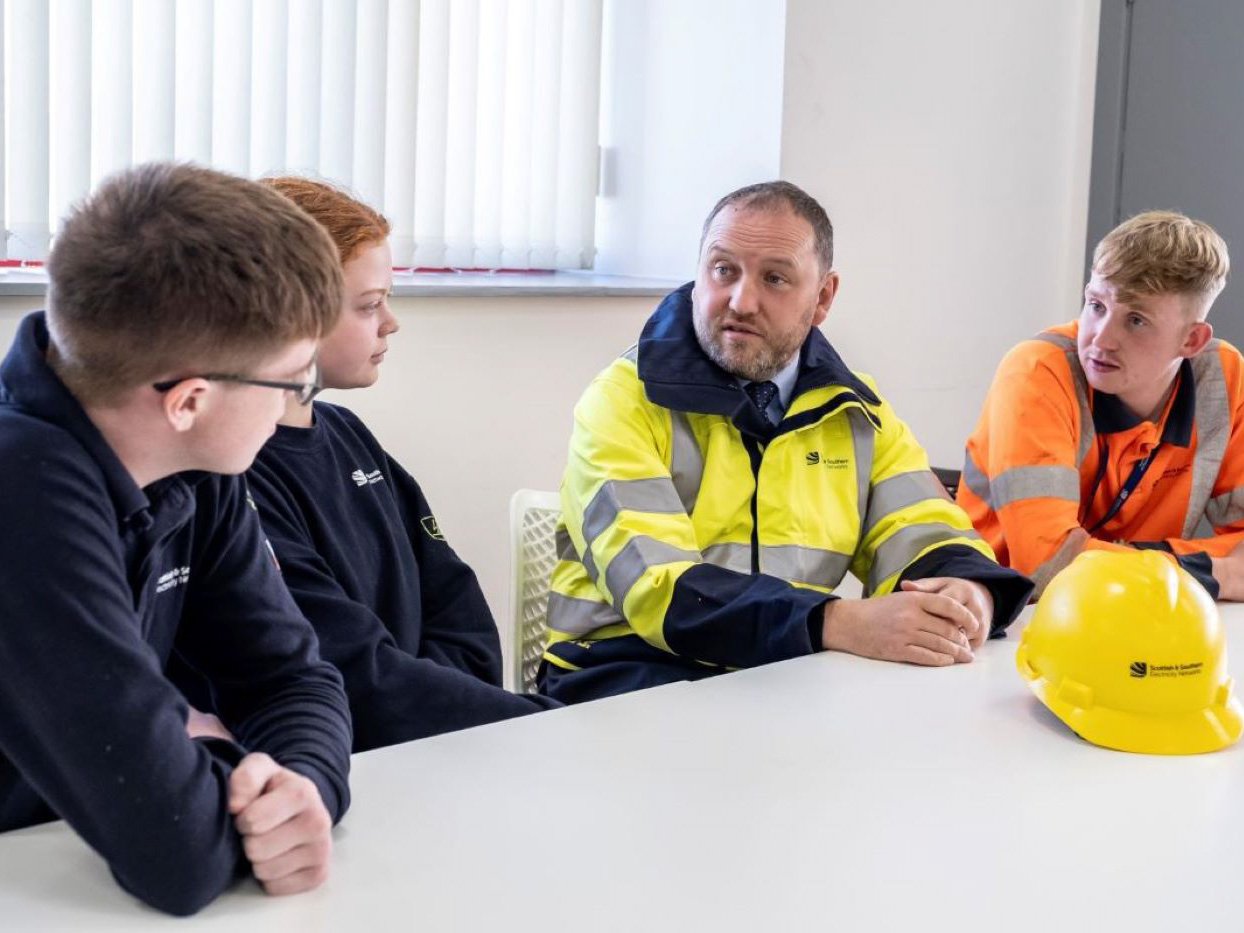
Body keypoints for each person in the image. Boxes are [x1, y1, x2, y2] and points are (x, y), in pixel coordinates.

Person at [0, 163, 354, 915]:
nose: (299, 404)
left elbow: (292, 678)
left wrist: (302, 788)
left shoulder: (194, 467)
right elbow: (176, 852)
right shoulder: (20, 488)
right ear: (189, 399)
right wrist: (220, 760)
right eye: (294, 381)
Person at [540, 181, 1032, 703]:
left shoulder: (857, 411)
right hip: (622, 675)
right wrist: (835, 622)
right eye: (723, 269)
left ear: (822, 298)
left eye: (774, 278)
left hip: (779, 674)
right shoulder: (622, 399)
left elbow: (924, 528)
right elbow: (659, 590)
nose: (740, 301)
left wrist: (965, 591)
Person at [244, 177, 559, 751]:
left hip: (431, 746)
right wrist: (542, 725)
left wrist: (449, 706)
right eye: (368, 305)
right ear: (289, 314)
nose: (391, 322)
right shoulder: (239, 475)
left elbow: (461, 617)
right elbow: (355, 676)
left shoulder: (350, 436)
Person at [959, 210, 1244, 598]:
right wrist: (1218, 574)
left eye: (1136, 320)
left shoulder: (1224, 378)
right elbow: (1048, 568)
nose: (1101, 339)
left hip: (1135, 610)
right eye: (1096, 305)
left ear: (1191, 341)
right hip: (1006, 619)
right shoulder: (1037, 370)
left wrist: (1110, 560)